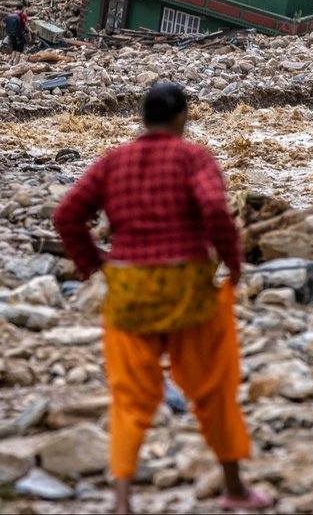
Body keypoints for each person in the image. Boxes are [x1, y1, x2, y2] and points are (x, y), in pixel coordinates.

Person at [54, 83, 271, 515]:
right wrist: (233, 263)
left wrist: (95, 264)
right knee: (212, 389)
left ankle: (121, 501)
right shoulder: (194, 158)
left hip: (129, 290)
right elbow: (213, 210)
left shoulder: (114, 161)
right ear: (181, 118)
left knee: (130, 397)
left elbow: (66, 215)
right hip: (187, 288)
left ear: (143, 117)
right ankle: (234, 488)